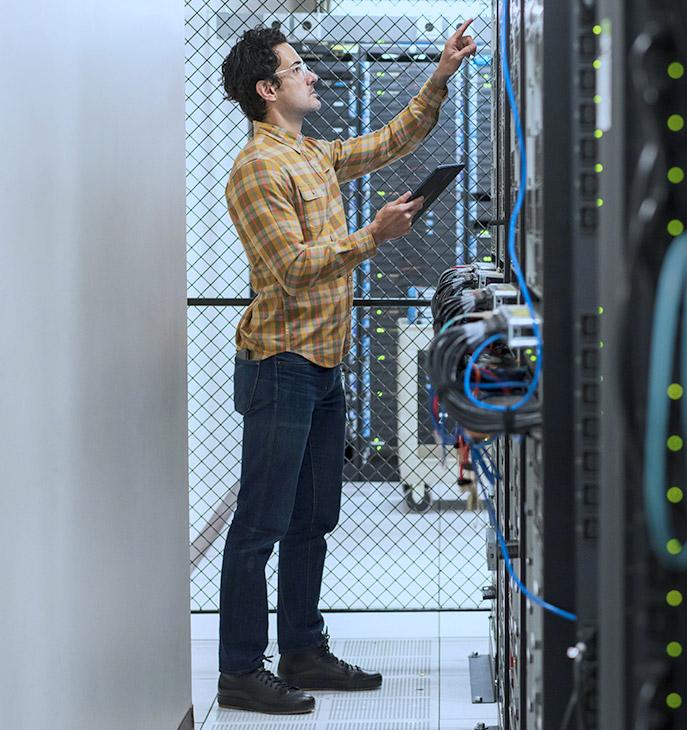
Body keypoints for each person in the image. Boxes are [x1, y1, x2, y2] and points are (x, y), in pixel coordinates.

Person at [214, 20, 477, 715]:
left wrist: (441, 75)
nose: (312, 75)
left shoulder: (312, 155)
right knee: (259, 525)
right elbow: (292, 269)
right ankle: (240, 669)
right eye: (298, 68)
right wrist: (373, 236)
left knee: (314, 517)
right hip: (280, 366)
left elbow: (392, 140)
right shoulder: (256, 170)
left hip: (324, 364)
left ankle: (302, 647)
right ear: (268, 89)